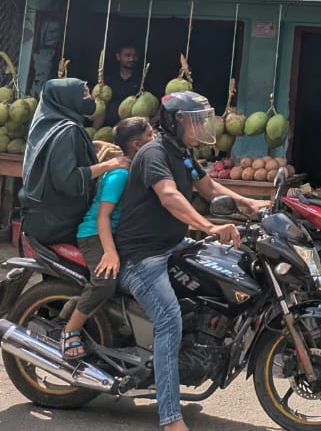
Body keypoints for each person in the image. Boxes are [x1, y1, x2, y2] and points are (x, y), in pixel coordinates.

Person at [115, 91, 268, 431]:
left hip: (171, 245)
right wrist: (210, 226)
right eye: (194, 120)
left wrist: (251, 204)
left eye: (202, 119)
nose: (201, 126)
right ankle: (170, 419)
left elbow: (210, 188)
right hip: (142, 257)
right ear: (174, 121)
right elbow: (168, 196)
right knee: (170, 322)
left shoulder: (181, 153)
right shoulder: (154, 153)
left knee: (226, 266)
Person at [61, 117, 155, 360]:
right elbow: (103, 216)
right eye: (150, 137)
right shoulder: (120, 174)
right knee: (105, 282)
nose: (155, 140)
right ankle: (70, 331)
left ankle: (81, 304)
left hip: (114, 234)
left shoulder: (134, 167)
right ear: (136, 144)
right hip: (94, 234)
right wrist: (110, 252)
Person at [21, 78, 128, 246]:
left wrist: (89, 146)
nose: (90, 97)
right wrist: (110, 164)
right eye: (84, 93)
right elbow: (68, 180)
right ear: (68, 98)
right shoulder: (68, 131)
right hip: (59, 221)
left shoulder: (47, 124)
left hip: (40, 214)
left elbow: (56, 156)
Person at [105, 44, 144, 110]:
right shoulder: (109, 80)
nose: (132, 59)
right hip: (112, 119)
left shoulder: (144, 79)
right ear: (118, 57)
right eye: (127, 55)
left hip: (136, 119)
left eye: (135, 55)